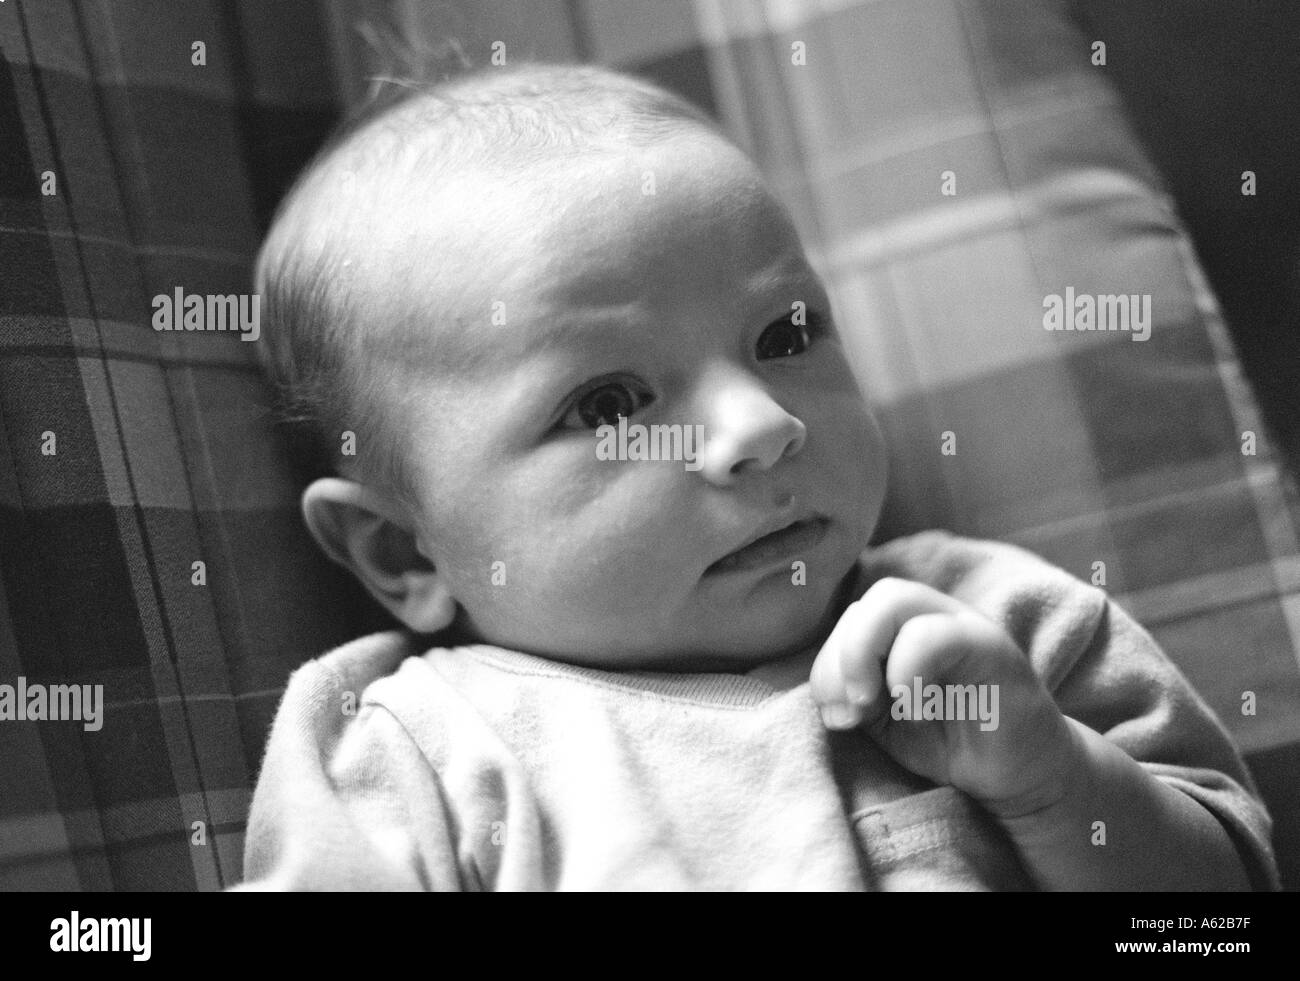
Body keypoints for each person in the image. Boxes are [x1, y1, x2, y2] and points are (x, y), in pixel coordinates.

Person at [234, 63, 1277, 890]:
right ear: (403, 549)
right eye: (607, 405)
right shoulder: (410, 754)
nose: (762, 424)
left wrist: (1053, 781)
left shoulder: (1001, 628)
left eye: (784, 333)